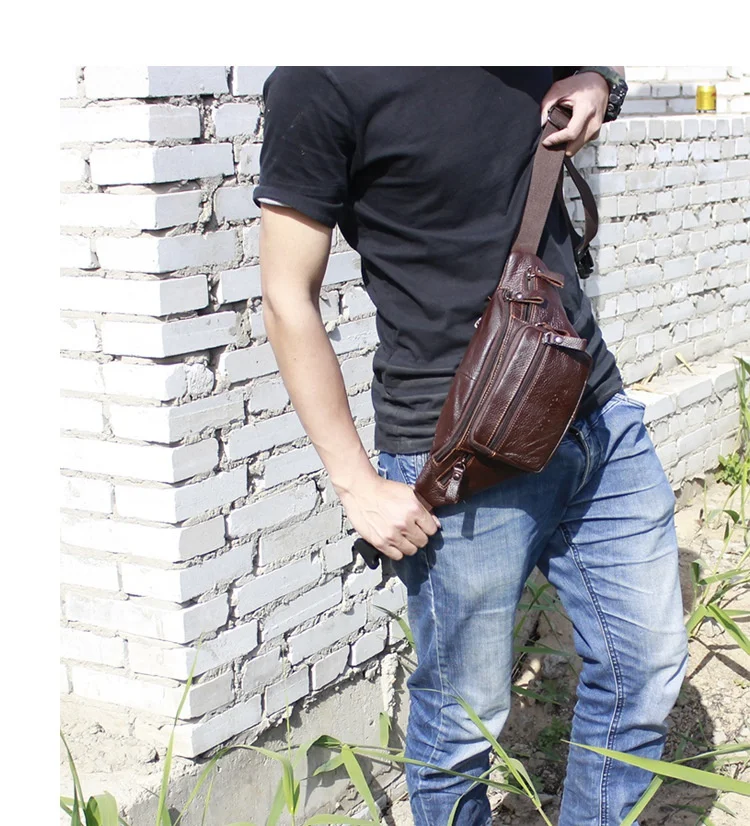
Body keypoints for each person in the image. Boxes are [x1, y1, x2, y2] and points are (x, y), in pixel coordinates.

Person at [252, 67, 689, 826]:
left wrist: (598, 82)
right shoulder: (322, 79)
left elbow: (596, 69)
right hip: (463, 451)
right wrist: (356, 484)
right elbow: (287, 295)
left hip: (596, 413)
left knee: (645, 669)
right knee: (464, 720)